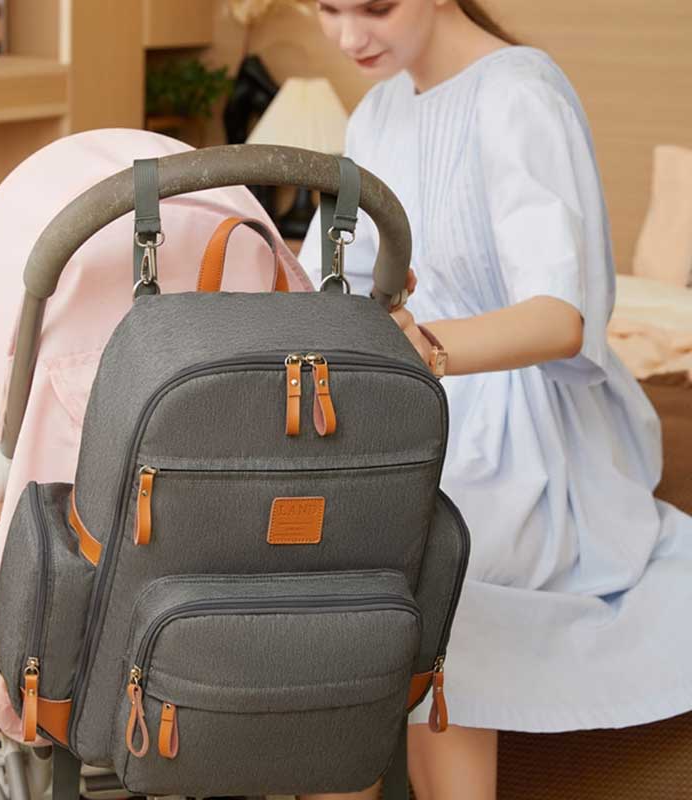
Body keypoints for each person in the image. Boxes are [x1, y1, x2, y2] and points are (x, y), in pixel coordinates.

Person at [294, 1, 692, 798]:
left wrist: (425, 345)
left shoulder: (517, 96)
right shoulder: (377, 112)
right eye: (326, 8)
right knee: (315, 572)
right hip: (414, 407)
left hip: (526, 422)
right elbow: (334, 275)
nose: (347, 37)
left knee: (437, 582)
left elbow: (561, 319)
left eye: (374, 6)